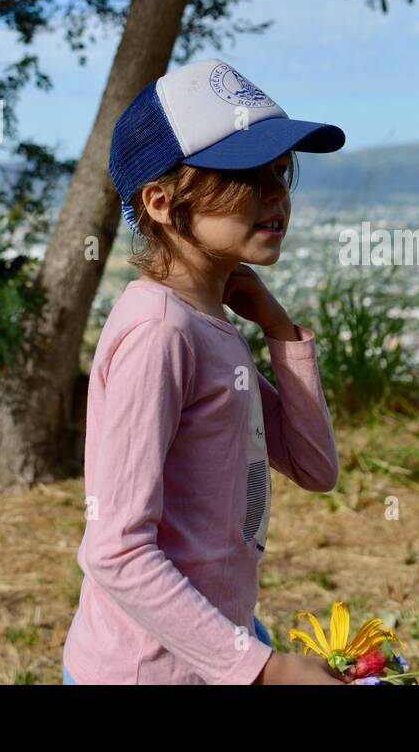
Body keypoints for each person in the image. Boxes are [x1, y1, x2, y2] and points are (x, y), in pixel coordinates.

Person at [62, 59, 347, 684]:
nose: (276, 194)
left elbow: (315, 467)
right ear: (162, 202)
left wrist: (279, 331)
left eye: (281, 171)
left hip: (214, 649)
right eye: (246, 173)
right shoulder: (160, 333)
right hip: (149, 671)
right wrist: (263, 668)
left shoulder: (206, 326)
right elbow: (115, 549)